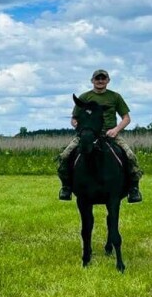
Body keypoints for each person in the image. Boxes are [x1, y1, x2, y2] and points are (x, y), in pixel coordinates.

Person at [56, 69, 143, 203]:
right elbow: (74, 119)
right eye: (97, 79)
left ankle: (133, 189)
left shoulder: (115, 97)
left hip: (110, 134)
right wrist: (80, 128)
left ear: (108, 81)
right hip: (88, 134)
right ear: (92, 81)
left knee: (131, 156)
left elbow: (126, 118)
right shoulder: (84, 97)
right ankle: (66, 186)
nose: (100, 81)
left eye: (103, 78)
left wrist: (116, 130)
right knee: (64, 156)